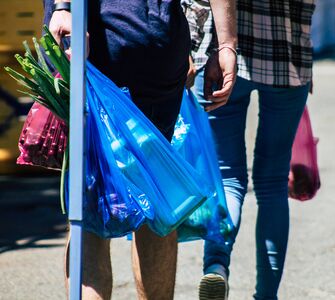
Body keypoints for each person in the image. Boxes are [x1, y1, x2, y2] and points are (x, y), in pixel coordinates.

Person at [44, 0, 237, 299]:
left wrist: (63, 6)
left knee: (91, 203)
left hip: (87, 38)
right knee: (154, 195)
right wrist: (225, 45)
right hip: (150, 39)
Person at [184, 0, 316, 299]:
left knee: (227, 179)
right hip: (289, 55)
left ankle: (216, 266)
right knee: (272, 186)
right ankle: (267, 295)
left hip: (219, 55)